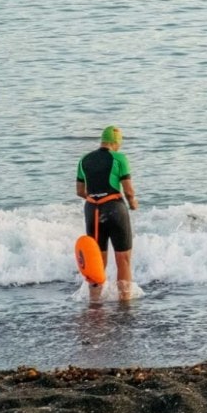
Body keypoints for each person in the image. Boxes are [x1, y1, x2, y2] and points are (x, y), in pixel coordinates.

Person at [75, 125, 139, 301]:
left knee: (97, 262)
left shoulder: (84, 159)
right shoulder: (119, 158)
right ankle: (125, 302)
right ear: (116, 142)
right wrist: (133, 203)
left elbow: (80, 191)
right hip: (114, 209)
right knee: (123, 259)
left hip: (92, 211)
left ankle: (95, 302)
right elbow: (129, 191)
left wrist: (95, 197)